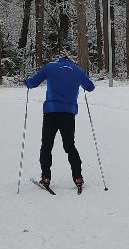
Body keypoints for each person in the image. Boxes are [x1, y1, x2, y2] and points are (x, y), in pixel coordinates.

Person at [25, 54, 95, 191]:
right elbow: (90, 87)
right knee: (70, 146)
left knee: (46, 145)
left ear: (59, 60)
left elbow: (33, 83)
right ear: (70, 62)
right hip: (68, 113)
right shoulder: (77, 70)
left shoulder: (50, 67)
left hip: (51, 112)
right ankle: (78, 177)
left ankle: (46, 177)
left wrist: (27, 82)